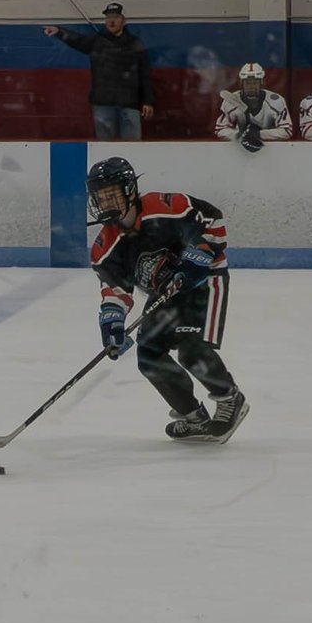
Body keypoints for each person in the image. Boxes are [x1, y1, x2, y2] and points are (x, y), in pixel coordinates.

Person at [86, 156, 249, 444]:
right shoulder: (105, 247)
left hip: (204, 281)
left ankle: (229, 399)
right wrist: (112, 324)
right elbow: (115, 290)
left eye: (111, 194)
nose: (105, 202)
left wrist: (198, 256)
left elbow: (211, 219)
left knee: (191, 349)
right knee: (149, 357)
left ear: (129, 190)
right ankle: (194, 418)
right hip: (164, 292)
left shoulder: (166, 207)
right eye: (101, 197)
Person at [43, 3, 155, 139]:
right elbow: (77, 40)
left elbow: (144, 74)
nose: (111, 21)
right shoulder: (96, 41)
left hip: (129, 103)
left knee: (131, 146)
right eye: (108, 17)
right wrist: (59, 31)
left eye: (116, 17)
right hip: (104, 103)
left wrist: (148, 101)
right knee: (104, 147)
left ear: (124, 21)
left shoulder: (135, 44)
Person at [213, 63, 292, 150]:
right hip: (239, 151)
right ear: (241, 83)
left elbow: (287, 131)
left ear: (261, 82)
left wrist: (258, 134)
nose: (251, 86)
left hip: (271, 150)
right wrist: (239, 135)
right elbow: (220, 129)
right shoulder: (231, 101)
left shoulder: (276, 101)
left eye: (255, 82)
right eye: (248, 83)